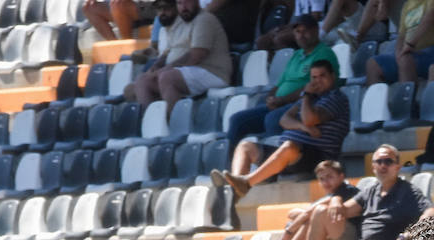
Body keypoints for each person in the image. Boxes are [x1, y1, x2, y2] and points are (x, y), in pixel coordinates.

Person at [296, 144, 434, 240]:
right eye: (378, 162)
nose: (383, 165)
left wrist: (408, 235)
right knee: (321, 212)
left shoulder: (408, 191)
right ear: (373, 166)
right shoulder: (370, 190)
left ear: (397, 166)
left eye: (388, 161)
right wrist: (336, 199)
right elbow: (344, 210)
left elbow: (430, 211)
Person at [212, 59, 349, 200]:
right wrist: (303, 127)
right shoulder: (309, 99)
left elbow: (310, 119)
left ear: (332, 76)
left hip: (318, 157)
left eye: (322, 76)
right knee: (245, 146)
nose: (317, 81)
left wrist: (306, 96)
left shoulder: (336, 98)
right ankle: (235, 189)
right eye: (314, 77)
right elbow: (284, 120)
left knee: (289, 146)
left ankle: (246, 182)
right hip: (289, 155)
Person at [225, 14, 340, 149]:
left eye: (305, 31)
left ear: (315, 31)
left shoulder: (324, 53)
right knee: (237, 120)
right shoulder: (296, 55)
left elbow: (313, 87)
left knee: (272, 119)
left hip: (307, 103)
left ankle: (276, 165)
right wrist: (271, 98)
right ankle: (229, 166)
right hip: (282, 103)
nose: (301, 35)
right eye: (297, 32)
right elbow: (280, 84)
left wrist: (283, 100)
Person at [242, 160, 360, 240]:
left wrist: (290, 230)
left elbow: (310, 212)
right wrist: (302, 217)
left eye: (330, 177)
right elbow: (294, 213)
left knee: (311, 218)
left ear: (341, 176)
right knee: (306, 221)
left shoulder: (349, 191)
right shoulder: (329, 195)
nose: (326, 182)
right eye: (322, 179)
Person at [134, 0, 231, 114]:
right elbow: (167, 51)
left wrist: (167, 68)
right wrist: (157, 65)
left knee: (167, 77)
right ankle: (153, 123)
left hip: (213, 72)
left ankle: (174, 124)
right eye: (180, 3)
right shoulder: (180, 23)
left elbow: (197, 54)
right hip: (191, 72)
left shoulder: (204, 19)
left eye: (187, 2)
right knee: (143, 81)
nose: (184, 7)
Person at [365, 0, 434, 84]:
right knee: (373, 64)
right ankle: (377, 102)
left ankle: (408, 101)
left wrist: (410, 45)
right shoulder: (407, 5)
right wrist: (399, 54)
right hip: (415, 54)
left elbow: (430, 18)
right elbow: (401, 36)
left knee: (406, 59)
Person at [82, 0, 155, 40]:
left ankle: (127, 47)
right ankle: (115, 46)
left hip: (152, 6)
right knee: (89, 7)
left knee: (118, 4)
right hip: (128, 6)